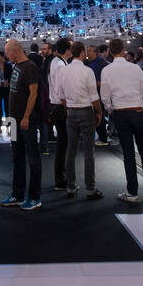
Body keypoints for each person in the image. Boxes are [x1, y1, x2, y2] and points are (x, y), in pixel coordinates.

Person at [100, 38, 143, 203]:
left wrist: (111, 111)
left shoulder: (106, 70)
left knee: (128, 155)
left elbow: (105, 97)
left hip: (120, 114)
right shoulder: (135, 68)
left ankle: (132, 193)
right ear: (123, 51)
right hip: (138, 113)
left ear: (110, 52)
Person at [1, 39, 42, 211]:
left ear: (16, 50)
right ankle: (17, 194)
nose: (7, 55)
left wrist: (26, 116)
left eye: (8, 52)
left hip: (27, 121)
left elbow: (33, 94)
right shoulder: (17, 66)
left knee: (33, 159)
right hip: (15, 120)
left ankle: (34, 197)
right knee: (17, 158)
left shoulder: (30, 67)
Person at [60, 42, 103, 199]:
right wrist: (99, 112)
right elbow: (94, 97)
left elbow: (61, 96)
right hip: (86, 112)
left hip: (71, 112)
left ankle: (70, 187)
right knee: (88, 152)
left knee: (71, 150)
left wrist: (69, 109)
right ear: (82, 53)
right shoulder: (88, 71)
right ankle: (90, 189)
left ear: (72, 53)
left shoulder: (63, 71)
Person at [47, 37, 71, 190]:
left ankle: (60, 179)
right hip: (60, 107)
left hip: (55, 106)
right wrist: (67, 106)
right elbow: (60, 90)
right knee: (63, 145)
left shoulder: (57, 62)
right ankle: (60, 180)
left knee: (62, 145)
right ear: (67, 49)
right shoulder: (60, 64)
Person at [88, 44, 111, 145]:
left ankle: (103, 138)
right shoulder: (90, 63)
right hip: (93, 93)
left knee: (99, 114)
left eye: (90, 51)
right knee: (96, 115)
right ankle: (102, 137)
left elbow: (106, 80)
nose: (87, 53)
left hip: (100, 93)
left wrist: (96, 82)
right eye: (87, 51)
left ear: (95, 52)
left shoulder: (101, 63)